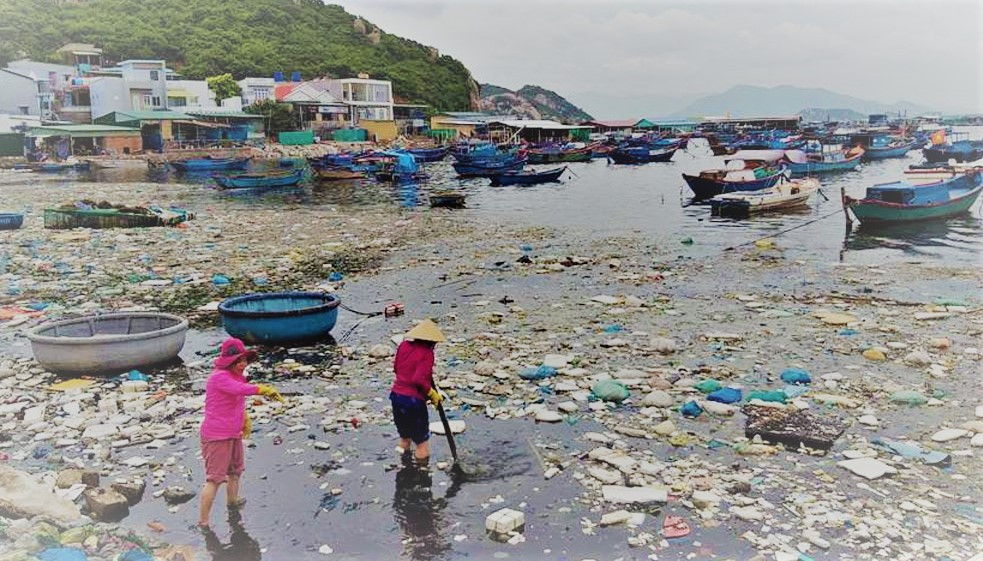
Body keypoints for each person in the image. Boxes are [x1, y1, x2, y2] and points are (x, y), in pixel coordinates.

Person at [198, 337, 284, 528]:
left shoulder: (238, 376)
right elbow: (239, 390)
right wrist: (262, 389)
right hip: (217, 436)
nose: (242, 364)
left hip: (233, 433)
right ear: (228, 362)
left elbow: (236, 399)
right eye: (237, 361)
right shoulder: (219, 377)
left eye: (244, 360)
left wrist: (244, 419)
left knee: (235, 471)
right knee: (214, 479)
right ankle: (203, 521)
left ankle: (232, 502)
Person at [390, 319, 446, 463]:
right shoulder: (427, 353)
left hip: (396, 397)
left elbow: (396, 369)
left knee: (405, 437)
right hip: (413, 401)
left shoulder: (403, 346)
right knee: (421, 443)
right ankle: (421, 474)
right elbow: (418, 380)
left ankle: (403, 466)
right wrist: (431, 394)